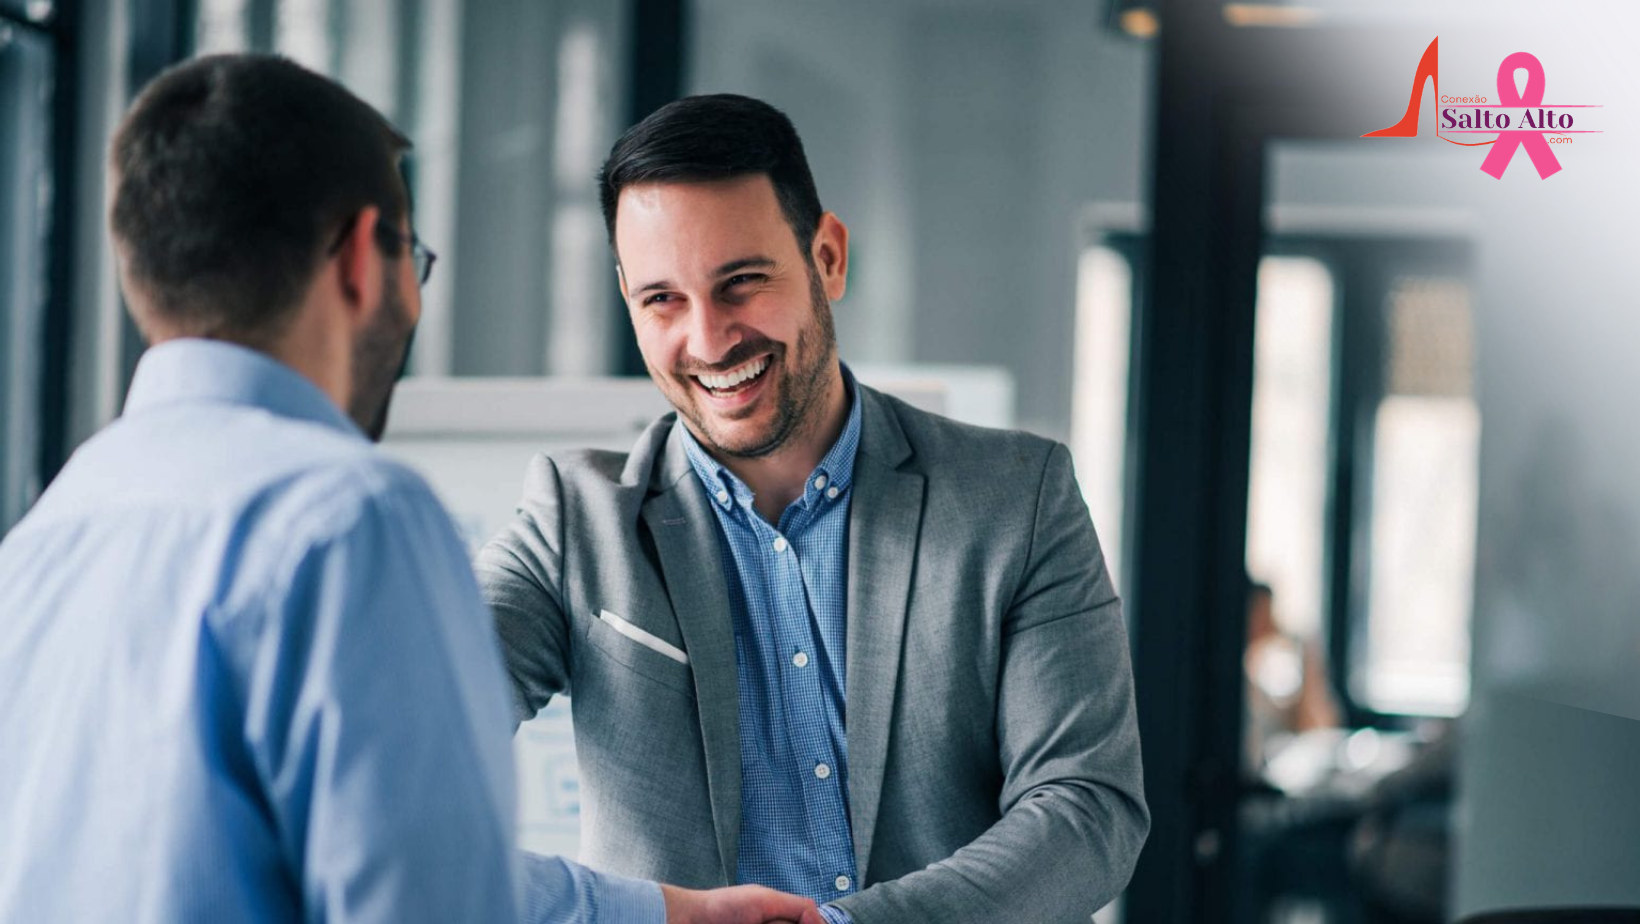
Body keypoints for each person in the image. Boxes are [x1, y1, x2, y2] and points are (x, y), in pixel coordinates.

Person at [0, 56, 818, 924]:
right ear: (363, 257)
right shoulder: (347, 518)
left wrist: (664, 913)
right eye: (412, 258)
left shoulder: (42, 540)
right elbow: (427, 902)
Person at [478, 94, 1149, 924]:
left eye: (742, 283)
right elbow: (394, 748)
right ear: (626, 298)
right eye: (663, 300)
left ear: (826, 256)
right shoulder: (571, 524)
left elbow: (1088, 812)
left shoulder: (1017, 497)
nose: (710, 339)